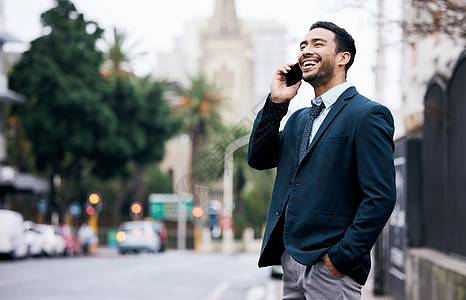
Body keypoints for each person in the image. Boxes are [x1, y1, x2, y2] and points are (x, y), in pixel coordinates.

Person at [247, 21, 396, 299]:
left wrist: (339, 259)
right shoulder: (297, 120)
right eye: (303, 46)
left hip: (330, 268)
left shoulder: (368, 115)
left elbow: (380, 197)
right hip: (291, 264)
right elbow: (258, 158)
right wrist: (276, 103)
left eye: (317, 44)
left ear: (343, 58)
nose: (306, 50)